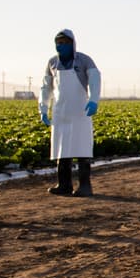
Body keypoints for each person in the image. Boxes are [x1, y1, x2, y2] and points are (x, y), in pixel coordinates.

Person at [39, 29, 101, 197]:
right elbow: (46, 88)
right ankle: (64, 184)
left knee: (82, 149)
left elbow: (95, 78)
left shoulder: (84, 60)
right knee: (62, 149)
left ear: (72, 43)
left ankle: (85, 186)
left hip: (81, 111)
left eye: (65, 42)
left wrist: (94, 99)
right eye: (59, 43)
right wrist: (43, 108)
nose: (61, 46)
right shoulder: (52, 63)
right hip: (60, 112)